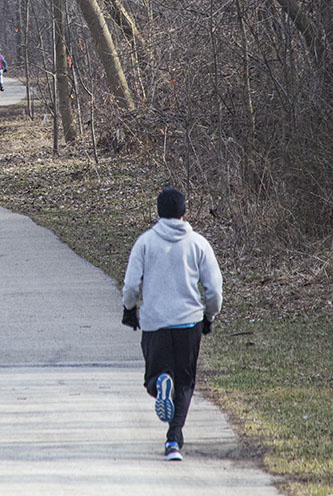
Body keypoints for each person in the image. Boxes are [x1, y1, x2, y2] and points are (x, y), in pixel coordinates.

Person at [121, 188, 223, 461]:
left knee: (153, 378)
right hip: (188, 323)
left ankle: (160, 383)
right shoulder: (198, 243)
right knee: (186, 382)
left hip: (155, 323)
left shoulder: (145, 243)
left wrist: (130, 309)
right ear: (184, 212)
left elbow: (131, 285)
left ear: (158, 212)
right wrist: (209, 316)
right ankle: (173, 439)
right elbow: (214, 290)